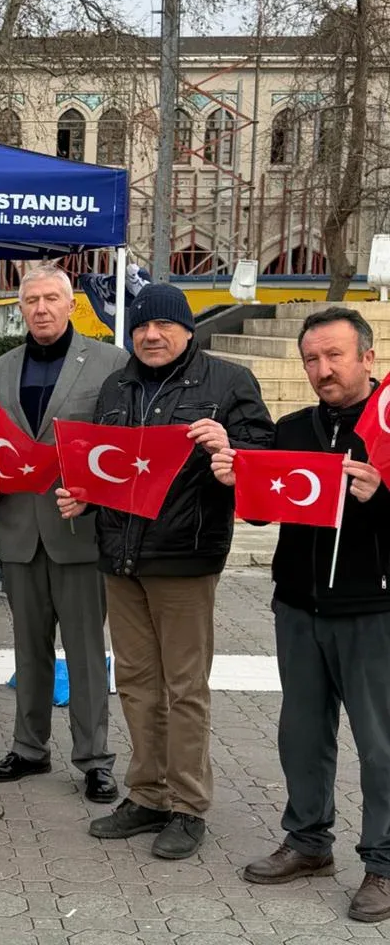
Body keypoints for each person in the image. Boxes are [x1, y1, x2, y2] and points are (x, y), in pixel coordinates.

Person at [57, 283, 274, 859]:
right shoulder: (116, 385)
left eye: (163, 327)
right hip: (120, 558)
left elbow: (263, 458)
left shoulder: (227, 383)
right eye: (141, 328)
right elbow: (109, 468)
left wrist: (232, 448)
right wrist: (84, 496)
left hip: (185, 558)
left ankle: (187, 805)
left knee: (184, 689)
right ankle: (147, 794)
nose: (151, 336)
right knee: (135, 684)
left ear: (186, 330)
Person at [212, 306, 390, 922]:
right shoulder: (293, 428)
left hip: (373, 610)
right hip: (298, 606)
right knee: (302, 734)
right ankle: (310, 842)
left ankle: (384, 864)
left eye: (334, 356)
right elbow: (263, 513)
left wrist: (381, 498)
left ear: (368, 358)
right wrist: (236, 478)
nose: (322, 369)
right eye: (311, 359)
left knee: (381, 744)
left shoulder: (387, 429)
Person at [0, 265, 127, 803]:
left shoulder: (110, 362)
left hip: (77, 528)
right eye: (31, 300)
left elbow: (118, 445)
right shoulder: (1, 367)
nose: (41, 308)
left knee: (87, 653)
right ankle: (29, 749)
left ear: (71, 305)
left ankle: (94, 760)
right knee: (28, 649)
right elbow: (5, 440)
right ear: (20, 307)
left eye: (51, 299)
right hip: (20, 527)